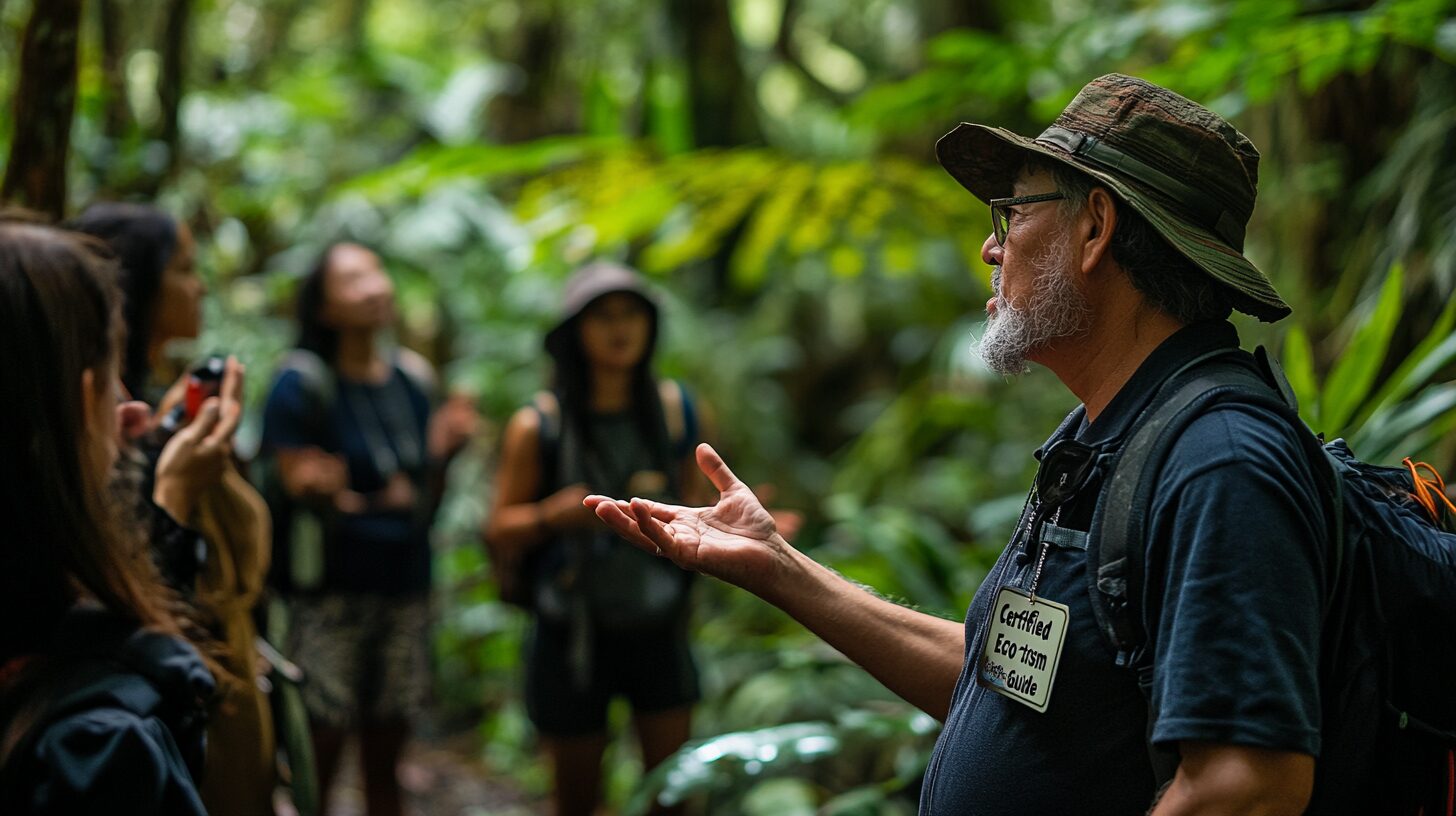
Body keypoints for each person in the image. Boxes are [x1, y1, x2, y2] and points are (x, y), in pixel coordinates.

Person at [589, 74, 1346, 814]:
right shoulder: (1112, 439)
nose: (992, 248)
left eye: (1012, 213)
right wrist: (777, 568)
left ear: (1095, 228)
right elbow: (1014, 684)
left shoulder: (1220, 462)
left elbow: (1246, 787)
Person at [69, 202, 279, 816]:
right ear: (138, 284)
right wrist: (177, 487)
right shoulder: (87, 439)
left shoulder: (152, 411)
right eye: (184, 269)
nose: (201, 285)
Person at [0, 219, 214, 815]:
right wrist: (169, 504)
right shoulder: (99, 745)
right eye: (106, 379)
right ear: (77, 397)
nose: (132, 409)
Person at [485, 262, 715, 816]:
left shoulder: (677, 411)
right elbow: (498, 528)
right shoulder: (538, 423)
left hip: (658, 622)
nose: (621, 328)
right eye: (604, 316)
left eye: (632, 314)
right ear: (575, 332)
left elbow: (698, 507)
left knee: (672, 792)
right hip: (571, 631)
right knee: (576, 798)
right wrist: (551, 516)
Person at [260, 241, 477, 816]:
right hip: (327, 592)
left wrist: (444, 457)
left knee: (388, 749)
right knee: (321, 747)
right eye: (353, 280)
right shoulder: (300, 383)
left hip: (404, 586)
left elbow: (425, 504)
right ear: (324, 308)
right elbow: (291, 478)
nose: (376, 287)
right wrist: (322, 489)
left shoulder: (412, 378)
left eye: (377, 273)